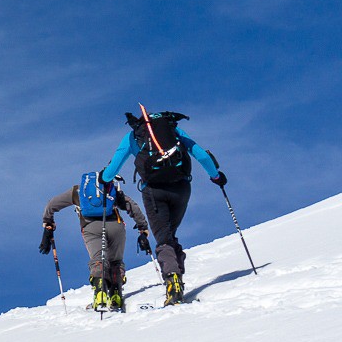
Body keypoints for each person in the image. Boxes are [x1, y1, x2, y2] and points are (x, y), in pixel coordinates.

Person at [97, 109, 225, 306]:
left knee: (163, 239)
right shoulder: (174, 132)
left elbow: (113, 168)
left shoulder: (133, 137)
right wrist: (216, 176)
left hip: (154, 192)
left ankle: (173, 282)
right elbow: (202, 155)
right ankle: (177, 276)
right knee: (169, 234)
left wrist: (103, 178)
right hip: (181, 188)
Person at [40, 171, 150, 311]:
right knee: (116, 261)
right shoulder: (110, 189)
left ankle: (100, 294)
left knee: (98, 260)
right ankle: (116, 293)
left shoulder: (77, 191)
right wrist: (142, 227)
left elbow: (52, 204)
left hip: (91, 227)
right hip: (116, 226)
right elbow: (131, 205)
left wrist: (47, 223)